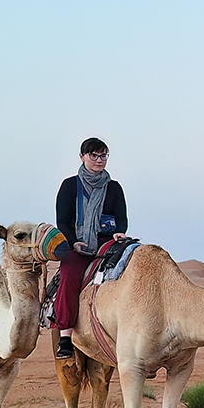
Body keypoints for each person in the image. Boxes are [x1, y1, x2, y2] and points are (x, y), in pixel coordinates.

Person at [53, 138, 128, 358]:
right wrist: (72, 240)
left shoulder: (114, 188)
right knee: (69, 275)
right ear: (82, 157)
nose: (99, 160)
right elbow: (63, 220)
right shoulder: (70, 186)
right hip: (79, 245)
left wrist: (119, 232)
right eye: (94, 156)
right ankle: (65, 336)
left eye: (103, 156)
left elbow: (121, 218)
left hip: (107, 242)